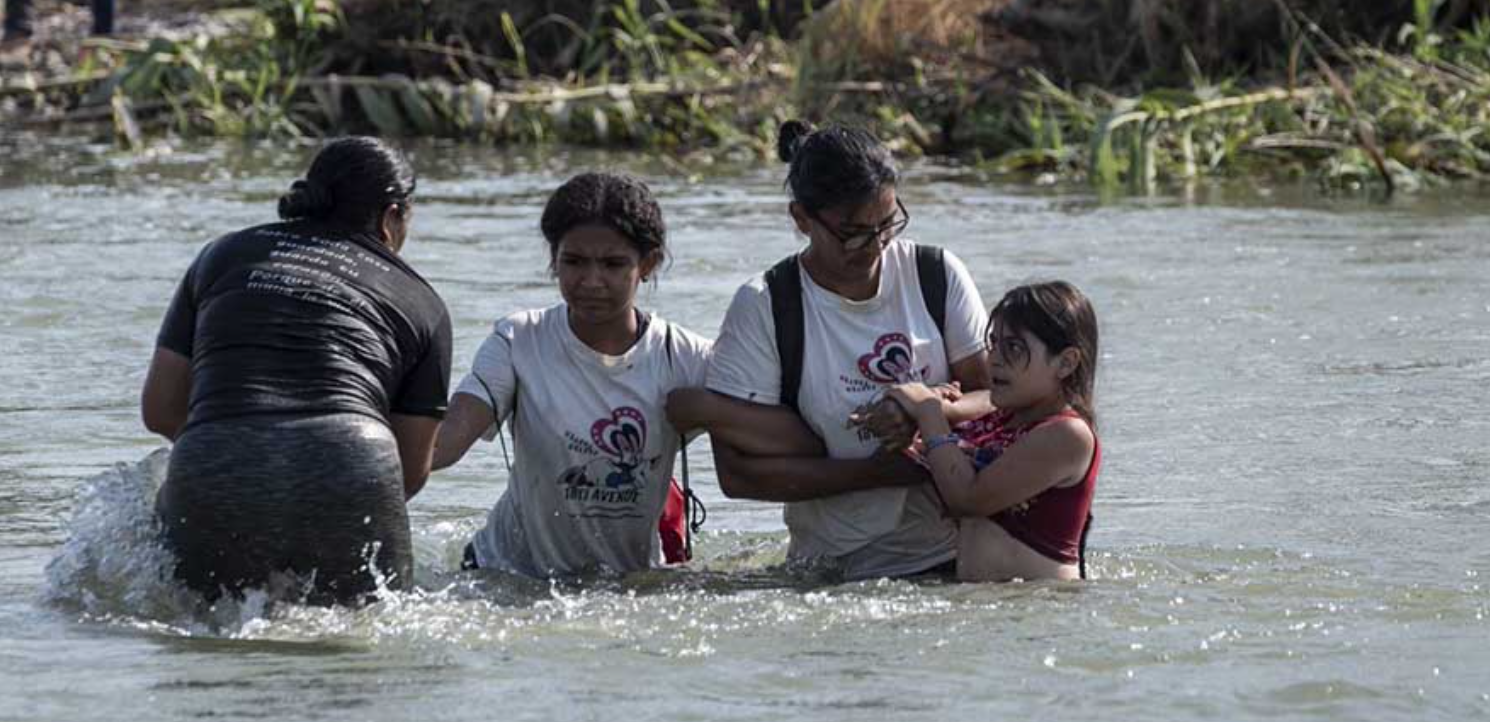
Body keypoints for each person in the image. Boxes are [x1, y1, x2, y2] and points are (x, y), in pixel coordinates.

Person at [667, 120, 991, 581]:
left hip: (959, 558)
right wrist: (877, 472)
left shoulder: (935, 274)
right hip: (832, 575)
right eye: (853, 233)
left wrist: (925, 410)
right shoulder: (766, 305)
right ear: (801, 218)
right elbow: (738, 475)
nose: (876, 245)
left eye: (888, 223)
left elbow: (1000, 399)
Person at [140, 137, 453, 602]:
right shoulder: (423, 302)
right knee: (356, 643)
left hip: (216, 454)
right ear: (392, 216)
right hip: (352, 460)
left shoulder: (222, 254)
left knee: (205, 635)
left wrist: (247, 456)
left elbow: (162, 410)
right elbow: (408, 472)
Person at [430, 172, 712, 577]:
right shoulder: (519, 341)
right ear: (554, 260)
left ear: (647, 265)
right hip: (503, 574)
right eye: (574, 262)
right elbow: (444, 445)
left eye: (613, 264)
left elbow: (764, 436)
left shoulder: (685, 359)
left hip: (628, 582)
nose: (591, 281)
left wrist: (712, 408)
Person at [854, 282, 1100, 582]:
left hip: (1041, 608)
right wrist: (924, 411)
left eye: (1013, 347)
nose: (994, 358)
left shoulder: (1067, 435)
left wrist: (929, 411)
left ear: (1066, 362)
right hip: (989, 605)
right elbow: (963, 420)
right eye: (993, 343)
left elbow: (967, 499)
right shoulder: (1001, 420)